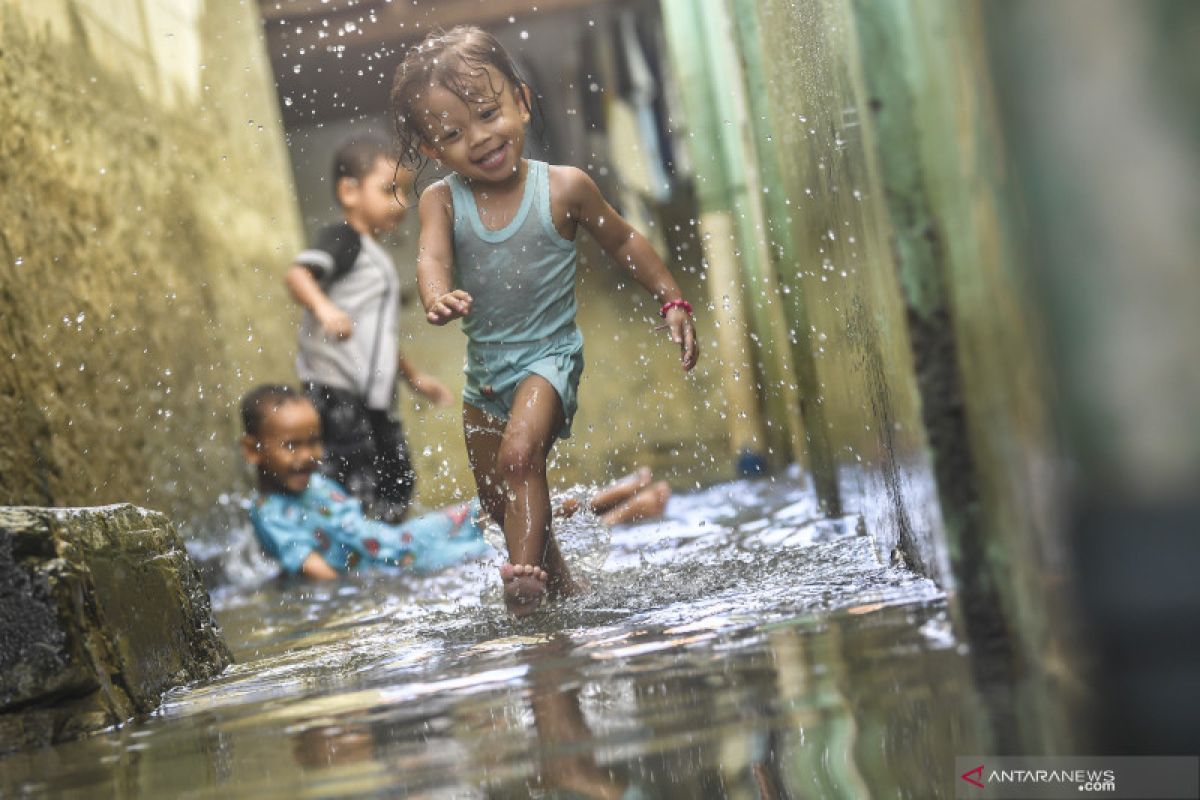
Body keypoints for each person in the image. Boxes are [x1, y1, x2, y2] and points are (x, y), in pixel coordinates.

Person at [390, 26, 699, 616]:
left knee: (518, 460)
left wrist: (671, 300)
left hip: (549, 360)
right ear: (432, 150)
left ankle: (523, 593)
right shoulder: (443, 201)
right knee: (494, 496)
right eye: (453, 134)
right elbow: (431, 256)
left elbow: (625, 240)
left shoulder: (563, 188)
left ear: (523, 102)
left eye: (488, 113)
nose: (480, 138)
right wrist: (435, 297)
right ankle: (559, 585)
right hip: (486, 376)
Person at [240, 384, 671, 582]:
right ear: (253, 450)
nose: (307, 454)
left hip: (403, 539)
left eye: (314, 441)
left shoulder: (317, 485)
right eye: (291, 446)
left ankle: (593, 500)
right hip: (398, 564)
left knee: (491, 508)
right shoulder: (271, 515)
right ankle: (623, 514)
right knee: (502, 549)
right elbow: (319, 573)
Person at [285, 133, 451, 524]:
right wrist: (324, 309)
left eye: (406, 191)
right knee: (351, 476)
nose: (401, 202)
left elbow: (379, 335)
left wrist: (413, 377)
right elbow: (297, 275)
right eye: (389, 189)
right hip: (335, 390)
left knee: (397, 475)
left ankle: (387, 543)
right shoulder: (343, 240)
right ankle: (350, 551)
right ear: (349, 191)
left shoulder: (378, 258)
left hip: (373, 395)